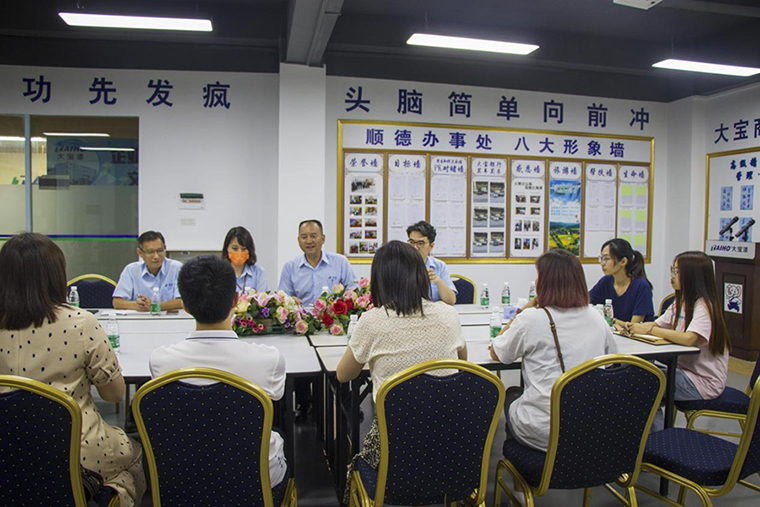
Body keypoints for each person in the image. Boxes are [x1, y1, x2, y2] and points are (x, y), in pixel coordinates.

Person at [0, 233, 146, 506]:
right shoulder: (80, 323)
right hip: (76, 451)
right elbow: (114, 394)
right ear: (56, 274)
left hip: (7, 450)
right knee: (134, 453)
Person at [336, 240, 468, 503]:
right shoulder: (448, 315)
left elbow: (344, 375)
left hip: (394, 455)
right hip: (452, 449)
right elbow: (463, 363)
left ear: (380, 280)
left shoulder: (372, 321)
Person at [149, 255, 287, 489]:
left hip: (184, 478)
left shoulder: (161, 362)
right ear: (236, 300)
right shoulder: (268, 360)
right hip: (252, 479)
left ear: (184, 305)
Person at [490, 248, 617, 451]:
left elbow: (498, 353)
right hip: (588, 426)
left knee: (512, 395)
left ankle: (520, 463)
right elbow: (610, 359)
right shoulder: (596, 316)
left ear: (545, 282)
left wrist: (524, 310)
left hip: (545, 430)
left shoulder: (532, 318)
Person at [622, 251, 730, 431]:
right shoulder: (680, 301)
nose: (672, 275)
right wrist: (635, 327)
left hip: (702, 382)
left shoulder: (704, 306)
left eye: (677, 271)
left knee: (646, 383)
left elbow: (688, 338)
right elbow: (656, 324)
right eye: (672, 270)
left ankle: (655, 439)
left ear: (692, 276)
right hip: (682, 372)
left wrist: (650, 329)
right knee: (638, 374)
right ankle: (648, 435)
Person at [278, 219, 357, 306]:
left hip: (333, 314)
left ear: (323, 239)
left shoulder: (340, 262)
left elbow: (353, 292)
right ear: (298, 240)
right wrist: (290, 300)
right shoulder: (290, 267)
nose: (309, 241)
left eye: (313, 236)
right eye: (304, 237)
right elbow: (282, 298)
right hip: (301, 314)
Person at [112, 231, 183, 311]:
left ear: (165, 248)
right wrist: (136, 305)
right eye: (150, 252)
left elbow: (182, 301)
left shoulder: (176, 268)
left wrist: (154, 306)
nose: (156, 256)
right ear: (140, 253)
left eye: (160, 250)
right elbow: (117, 302)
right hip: (140, 317)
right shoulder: (131, 270)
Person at [589, 238, 654, 324]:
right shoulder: (606, 281)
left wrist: (612, 321)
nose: (602, 263)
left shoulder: (641, 286)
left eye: (606, 258)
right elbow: (584, 302)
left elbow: (633, 326)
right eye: (601, 258)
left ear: (623, 261)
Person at [406, 220, 457, 305]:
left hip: (433, 311)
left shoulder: (439, 266)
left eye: (420, 243)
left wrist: (438, 281)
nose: (415, 247)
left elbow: (451, 301)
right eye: (411, 242)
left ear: (431, 246)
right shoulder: (398, 265)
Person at [221, 226, 267, 292]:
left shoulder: (258, 272)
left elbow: (262, 297)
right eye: (235, 248)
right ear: (227, 249)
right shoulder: (220, 274)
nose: (239, 252)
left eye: (244, 249)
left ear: (249, 250)